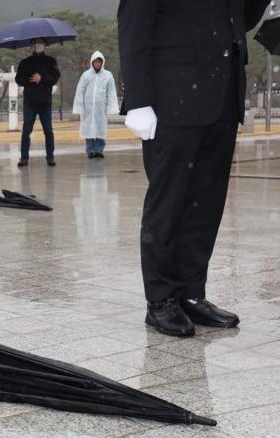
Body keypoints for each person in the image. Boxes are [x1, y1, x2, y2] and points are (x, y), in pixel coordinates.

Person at [118, 0, 269, 337]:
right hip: (173, 99)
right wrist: (140, 101)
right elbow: (134, 27)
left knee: (206, 204)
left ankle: (190, 292)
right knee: (169, 202)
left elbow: (242, 19)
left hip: (223, 95)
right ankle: (159, 300)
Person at [16, 38, 60, 167]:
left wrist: (42, 78)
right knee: (26, 130)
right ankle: (24, 157)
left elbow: (55, 78)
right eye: (36, 43)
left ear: (45, 45)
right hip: (30, 101)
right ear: (32, 45)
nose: (38, 45)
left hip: (45, 102)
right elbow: (19, 79)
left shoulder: (51, 62)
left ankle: (50, 156)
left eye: (41, 43)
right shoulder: (25, 62)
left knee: (48, 130)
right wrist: (30, 80)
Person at [73, 51, 119, 159]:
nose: (97, 64)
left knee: (100, 128)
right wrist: (79, 106)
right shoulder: (86, 75)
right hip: (88, 108)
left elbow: (111, 92)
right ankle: (90, 151)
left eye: (99, 62)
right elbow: (80, 90)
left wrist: (111, 106)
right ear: (92, 62)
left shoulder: (108, 75)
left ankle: (99, 150)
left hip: (100, 108)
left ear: (102, 63)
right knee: (88, 128)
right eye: (95, 62)